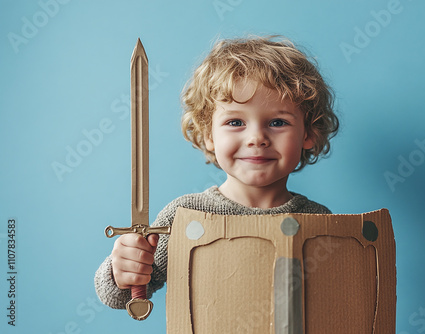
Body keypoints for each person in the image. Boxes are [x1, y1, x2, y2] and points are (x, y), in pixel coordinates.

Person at [95, 35, 339, 309]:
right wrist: (124, 270)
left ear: (309, 133)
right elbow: (125, 294)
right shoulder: (185, 215)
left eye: (277, 122)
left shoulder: (320, 222)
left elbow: (335, 301)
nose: (256, 138)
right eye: (236, 121)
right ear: (208, 134)